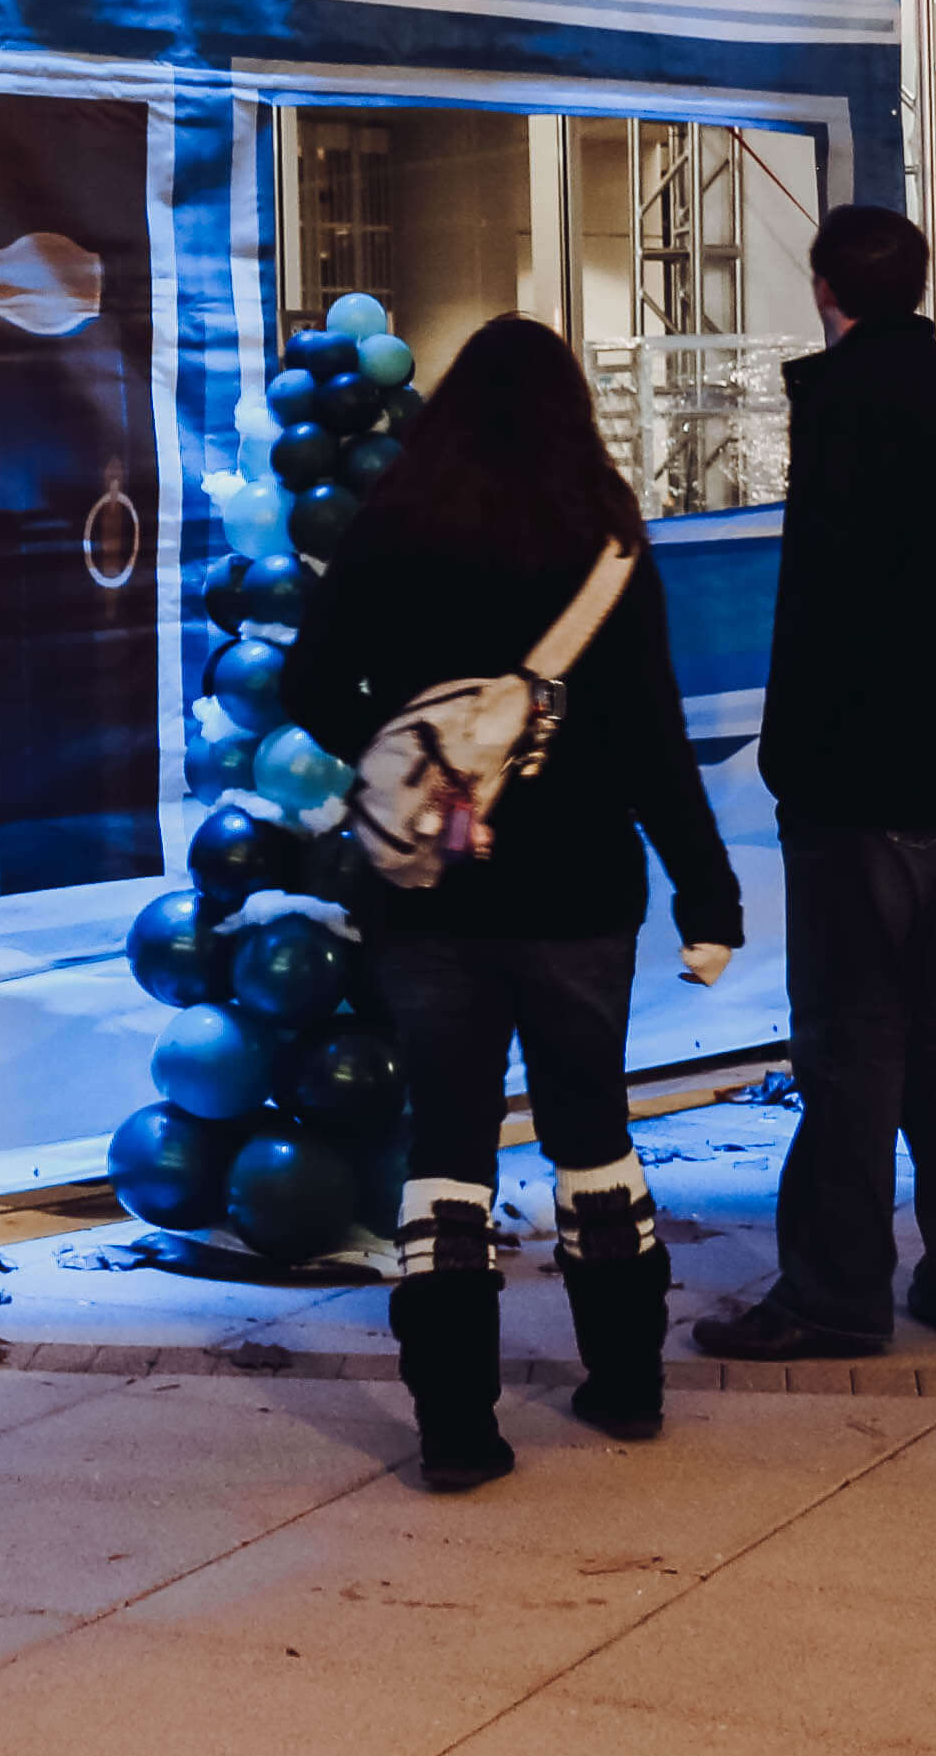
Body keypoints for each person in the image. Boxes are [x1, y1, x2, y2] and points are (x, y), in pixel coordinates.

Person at [280, 318, 742, 1490]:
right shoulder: (603, 536)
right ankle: (627, 1384)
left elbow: (310, 682)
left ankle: (456, 1429)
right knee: (593, 1130)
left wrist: (410, 760)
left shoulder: (396, 525)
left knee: (447, 1145)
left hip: (435, 889)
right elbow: (652, 730)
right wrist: (707, 885)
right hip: (583, 881)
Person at [693, 205, 936, 1367]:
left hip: (861, 772)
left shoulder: (840, 409)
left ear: (823, 287)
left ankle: (839, 1288)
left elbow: (824, 612)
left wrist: (807, 753)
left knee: (852, 1037)